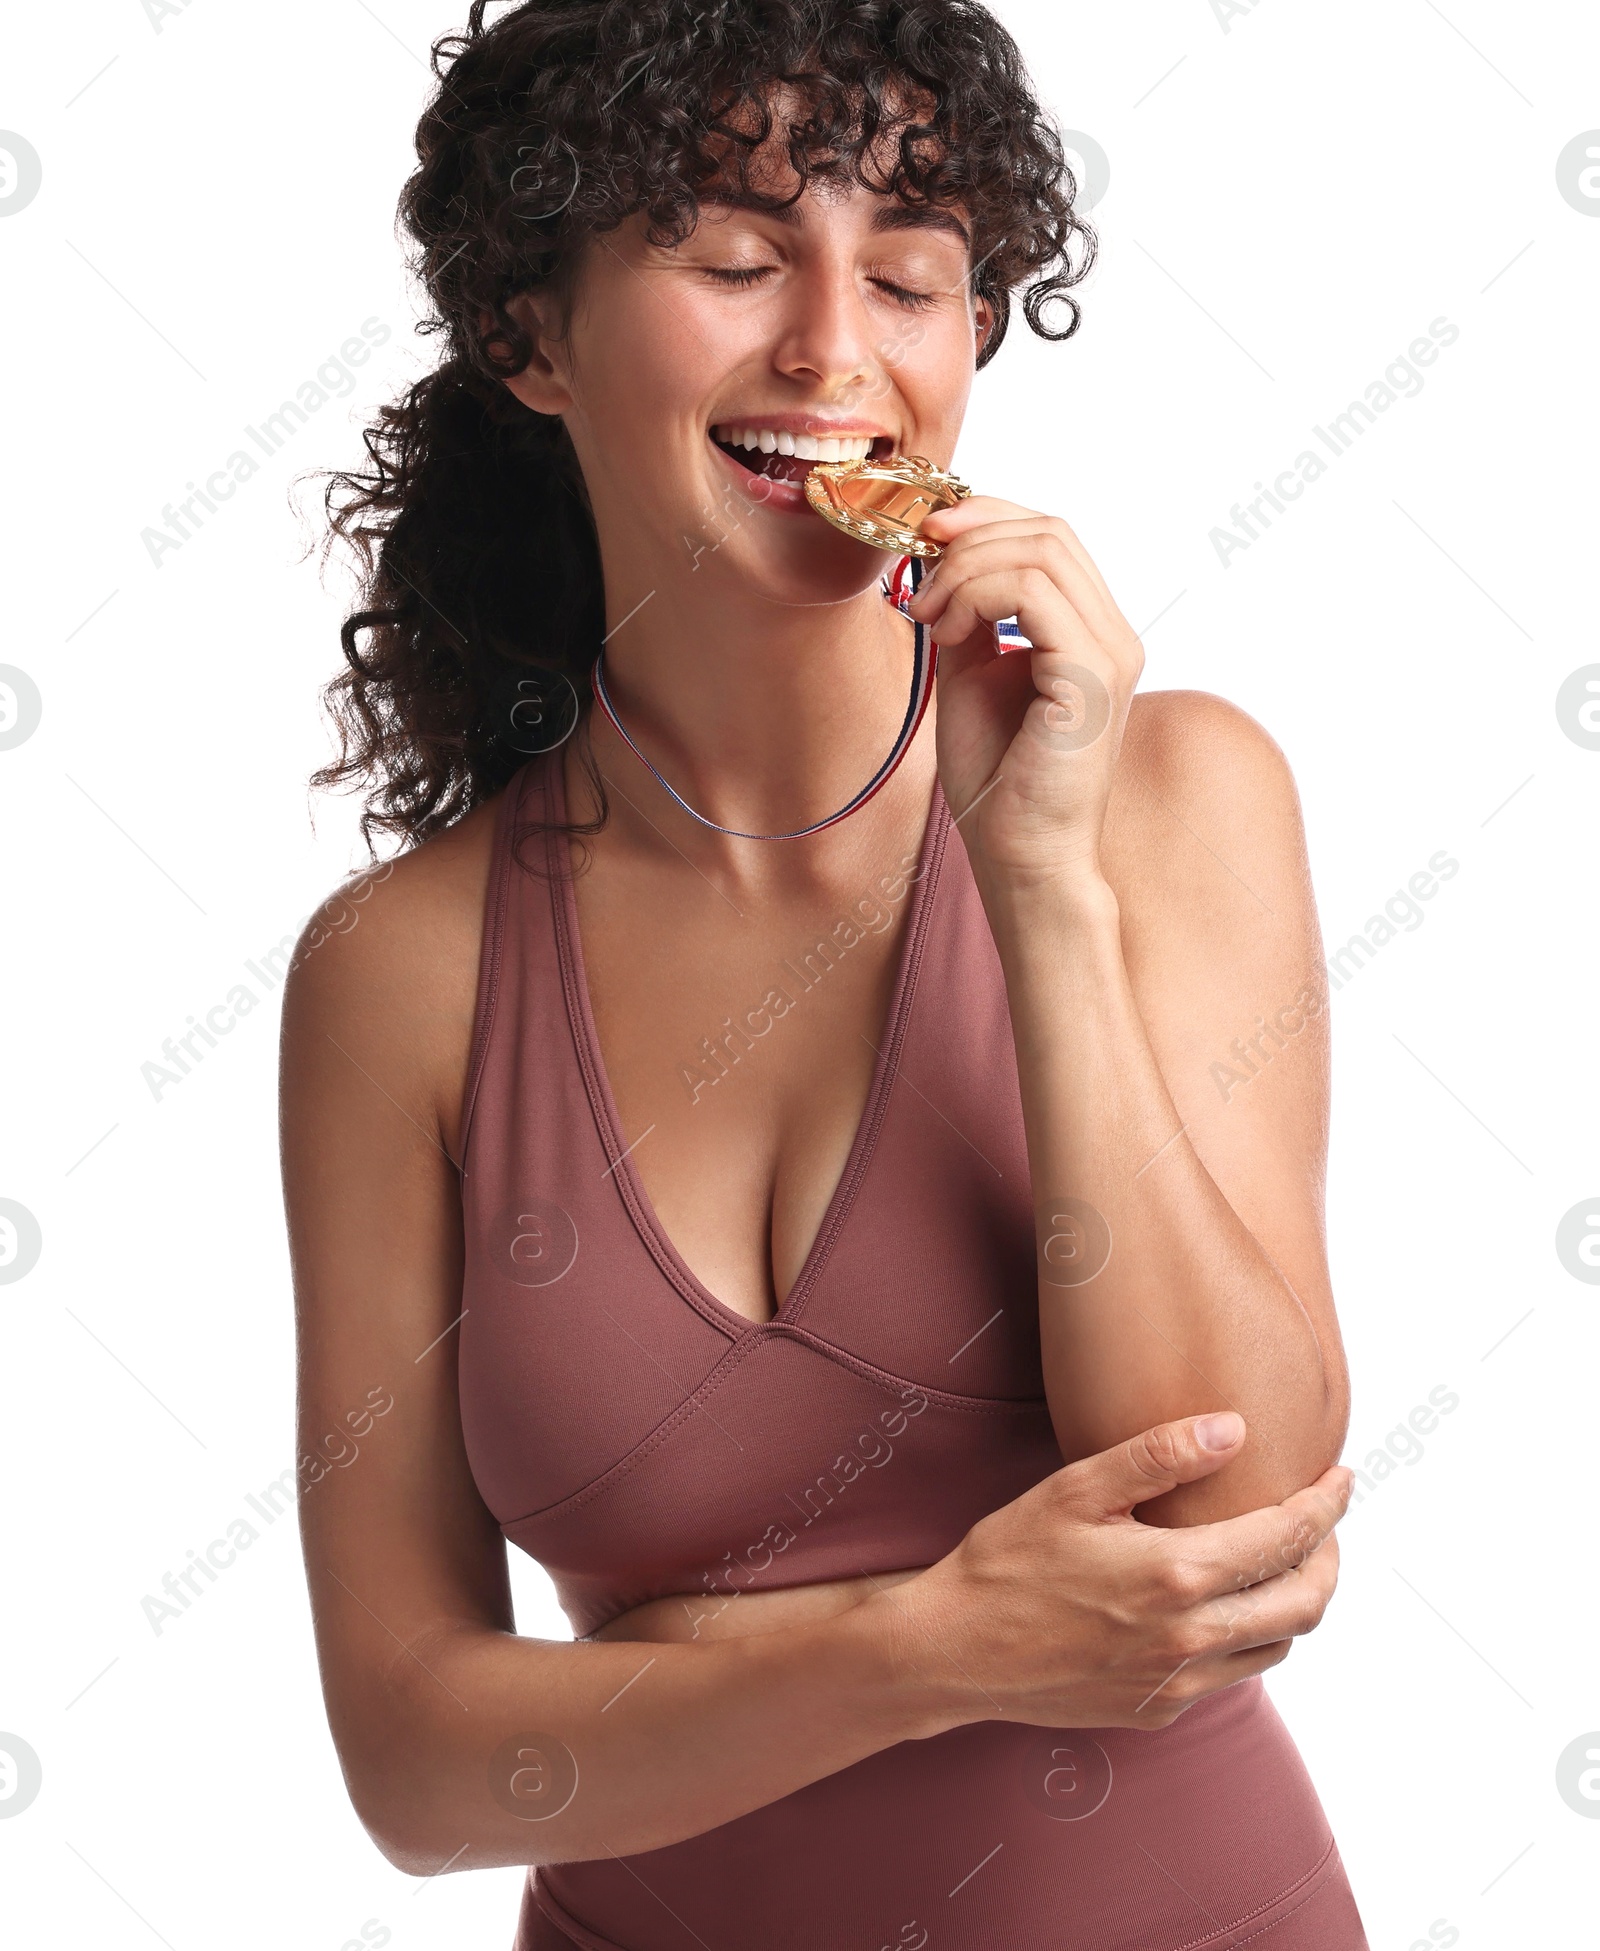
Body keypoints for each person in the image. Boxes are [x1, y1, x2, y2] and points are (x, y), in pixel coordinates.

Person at [282, 2, 1366, 1944]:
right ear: (529, 334)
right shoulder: (405, 972)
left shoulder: (1165, 796)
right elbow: (416, 1762)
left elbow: (1226, 1533)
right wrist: (934, 1643)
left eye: (913, 276)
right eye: (728, 256)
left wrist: (1035, 882)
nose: (830, 347)